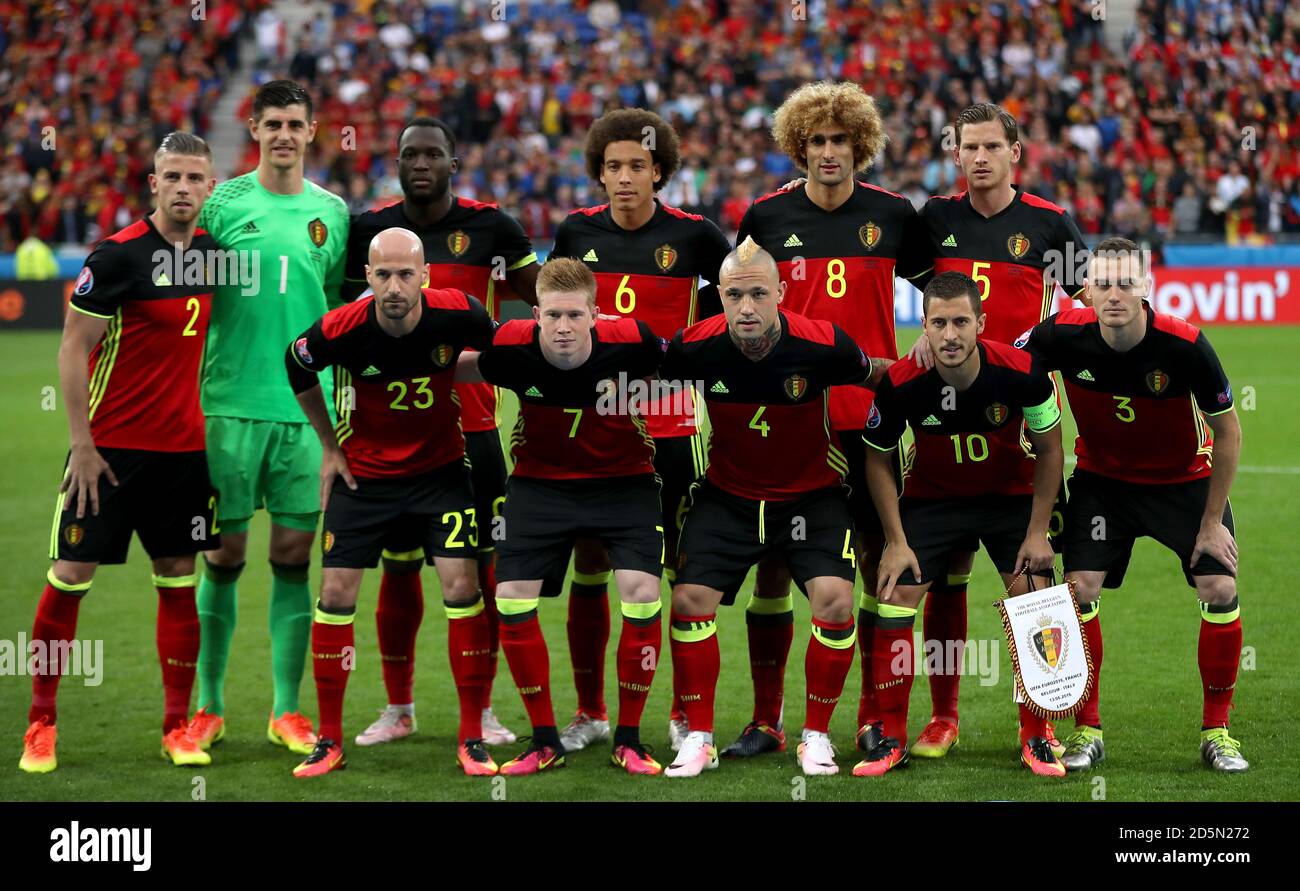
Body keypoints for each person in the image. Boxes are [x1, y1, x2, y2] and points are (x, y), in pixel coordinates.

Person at [726, 81, 931, 758]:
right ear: (798, 146)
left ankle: (875, 717)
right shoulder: (764, 216)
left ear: (860, 144)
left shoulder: (895, 214)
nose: (829, 152)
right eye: (816, 141)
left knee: (880, 562)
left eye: (840, 140)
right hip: (789, 419)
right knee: (776, 567)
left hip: (871, 419)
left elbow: (946, 288)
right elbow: (741, 307)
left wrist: (931, 343)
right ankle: (766, 719)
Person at [20, 133, 221, 772]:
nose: (184, 188)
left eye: (196, 178)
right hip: (107, 455)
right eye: (174, 177)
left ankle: (176, 727)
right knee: (71, 576)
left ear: (209, 188)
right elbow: (72, 347)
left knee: (178, 584)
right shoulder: (118, 257)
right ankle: (40, 725)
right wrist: (80, 444)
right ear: (153, 184)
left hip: (184, 455)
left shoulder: (217, 257)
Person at [660, 237, 892, 778]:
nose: (746, 308)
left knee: (835, 599)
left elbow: (875, 374)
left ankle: (815, 737)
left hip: (811, 495)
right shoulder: (694, 348)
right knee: (689, 596)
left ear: (781, 293)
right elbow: (641, 382)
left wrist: (933, 366)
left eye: (758, 294)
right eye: (734, 295)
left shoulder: (824, 344)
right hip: (728, 495)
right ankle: (697, 738)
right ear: (718, 295)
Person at [342, 116, 539, 749]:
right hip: (388, 435)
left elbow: (538, 312)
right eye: (409, 154)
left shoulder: (494, 229)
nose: (420, 163)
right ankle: (398, 707)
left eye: (433, 153)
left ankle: (479, 713)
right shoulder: (369, 232)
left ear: (454, 163)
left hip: (473, 431)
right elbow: (343, 325)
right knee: (398, 571)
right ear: (396, 163)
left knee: (482, 575)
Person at [1019, 236, 1247, 773]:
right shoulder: (1059, 335)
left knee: (1220, 587)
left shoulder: (1185, 345)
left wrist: (1212, 521)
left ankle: (1218, 731)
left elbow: (1228, 431)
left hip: (1183, 482)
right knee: (1079, 591)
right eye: (1102, 283)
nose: (1113, 294)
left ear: (1145, 287)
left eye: (1125, 282)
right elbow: (1000, 357)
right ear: (1086, 289)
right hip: (1104, 483)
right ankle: (1087, 729)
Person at [903, 103, 1088, 760]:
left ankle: (1036, 728)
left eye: (990, 146)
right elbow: (914, 287)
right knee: (944, 573)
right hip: (942, 429)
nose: (978, 157)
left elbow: (1088, 304)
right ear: (956, 155)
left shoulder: (1048, 224)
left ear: (1016, 152)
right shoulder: (934, 221)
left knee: (1033, 583)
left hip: (1021, 425)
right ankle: (942, 717)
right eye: (967, 147)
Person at [548, 108, 731, 753]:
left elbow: (734, 303)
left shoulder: (697, 238)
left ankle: (684, 712)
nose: (625, 178)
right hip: (595, 425)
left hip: (671, 423)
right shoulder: (575, 234)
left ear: (660, 171)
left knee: (681, 568)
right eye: (613, 166)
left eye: (638, 166)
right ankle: (591, 712)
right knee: (591, 562)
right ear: (599, 174)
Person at [284, 227, 496, 778]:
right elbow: (296, 363)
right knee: (333, 593)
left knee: (463, 587)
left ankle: (471, 737)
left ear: (425, 275)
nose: (394, 286)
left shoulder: (462, 314)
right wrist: (329, 447)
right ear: (368, 279)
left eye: (406, 274)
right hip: (364, 481)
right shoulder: (341, 327)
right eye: (382, 275)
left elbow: (504, 355)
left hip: (441, 476)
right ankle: (327, 739)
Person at [457, 257, 668, 776]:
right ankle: (545, 739)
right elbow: (454, 365)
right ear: (535, 314)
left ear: (596, 314)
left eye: (575, 315)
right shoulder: (511, 345)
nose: (564, 327)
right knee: (510, 599)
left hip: (625, 482)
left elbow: (693, 363)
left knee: (642, 595)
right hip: (539, 485)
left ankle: (630, 738)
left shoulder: (634, 341)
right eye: (553, 316)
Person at [189, 80, 350, 757]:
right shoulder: (220, 203)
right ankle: (208, 706)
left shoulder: (334, 213)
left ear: (312, 131)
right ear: (252, 128)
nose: (283, 133)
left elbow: (340, 316)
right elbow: (183, 300)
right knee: (222, 555)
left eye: (294, 123)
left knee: (291, 555)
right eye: (272, 123)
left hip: (303, 414)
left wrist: (342, 413)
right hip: (226, 407)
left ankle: (287, 710)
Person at [857, 271, 1065, 777]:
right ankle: (891, 737)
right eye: (938, 323)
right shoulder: (903, 382)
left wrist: (1038, 532)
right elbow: (877, 458)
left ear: (981, 324)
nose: (949, 335)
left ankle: (1037, 735)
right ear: (923, 326)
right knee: (895, 596)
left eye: (960, 322)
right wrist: (895, 541)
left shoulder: (1023, 372)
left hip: (1008, 500)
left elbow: (1052, 447)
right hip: (933, 502)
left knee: (1035, 595)